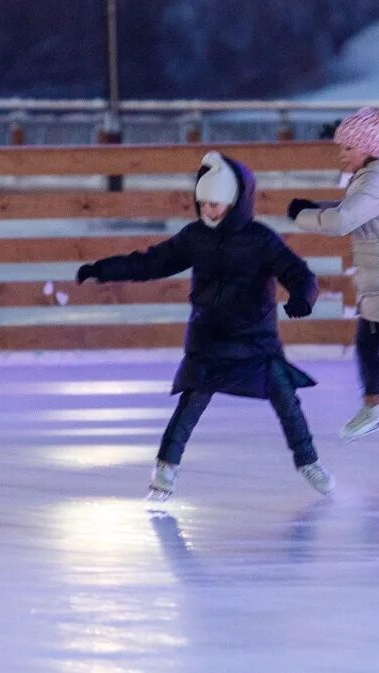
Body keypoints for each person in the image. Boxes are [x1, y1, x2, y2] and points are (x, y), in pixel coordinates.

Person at [77, 151, 334, 499]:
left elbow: (298, 272)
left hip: (255, 340)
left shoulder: (261, 239)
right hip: (209, 339)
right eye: (203, 204)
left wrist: (303, 298)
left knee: (286, 399)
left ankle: (308, 462)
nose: (208, 211)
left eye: (215, 204)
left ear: (233, 202)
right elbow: (153, 262)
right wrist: (103, 269)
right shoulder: (195, 237)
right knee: (191, 403)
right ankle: (166, 468)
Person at [287, 107, 379, 477]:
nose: (341, 155)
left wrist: (302, 216)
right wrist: (315, 207)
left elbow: (341, 221)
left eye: (347, 148)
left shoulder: (373, 182)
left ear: (368, 149)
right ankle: (375, 404)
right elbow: (346, 210)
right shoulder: (365, 178)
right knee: (366, 345)